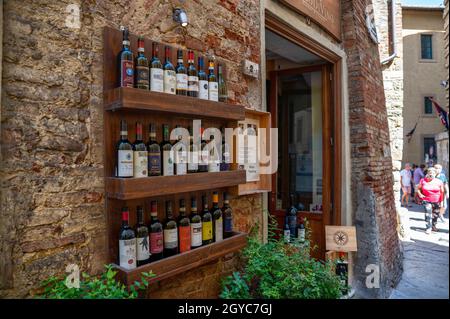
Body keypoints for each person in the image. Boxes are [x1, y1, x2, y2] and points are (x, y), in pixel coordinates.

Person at [416, 167, 445, 234]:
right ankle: (428, 227)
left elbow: (442, 192)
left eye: (433, 173)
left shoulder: (439, 181)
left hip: (436, 200)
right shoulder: (423, 180)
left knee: (436, 214)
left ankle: (434, 226)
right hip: (426, 200)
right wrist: (420, 194)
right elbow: (418, 189)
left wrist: (442, 202)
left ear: (435, 174)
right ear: (427, 173)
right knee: (428, 213)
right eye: (430, 173)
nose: (431, 174)